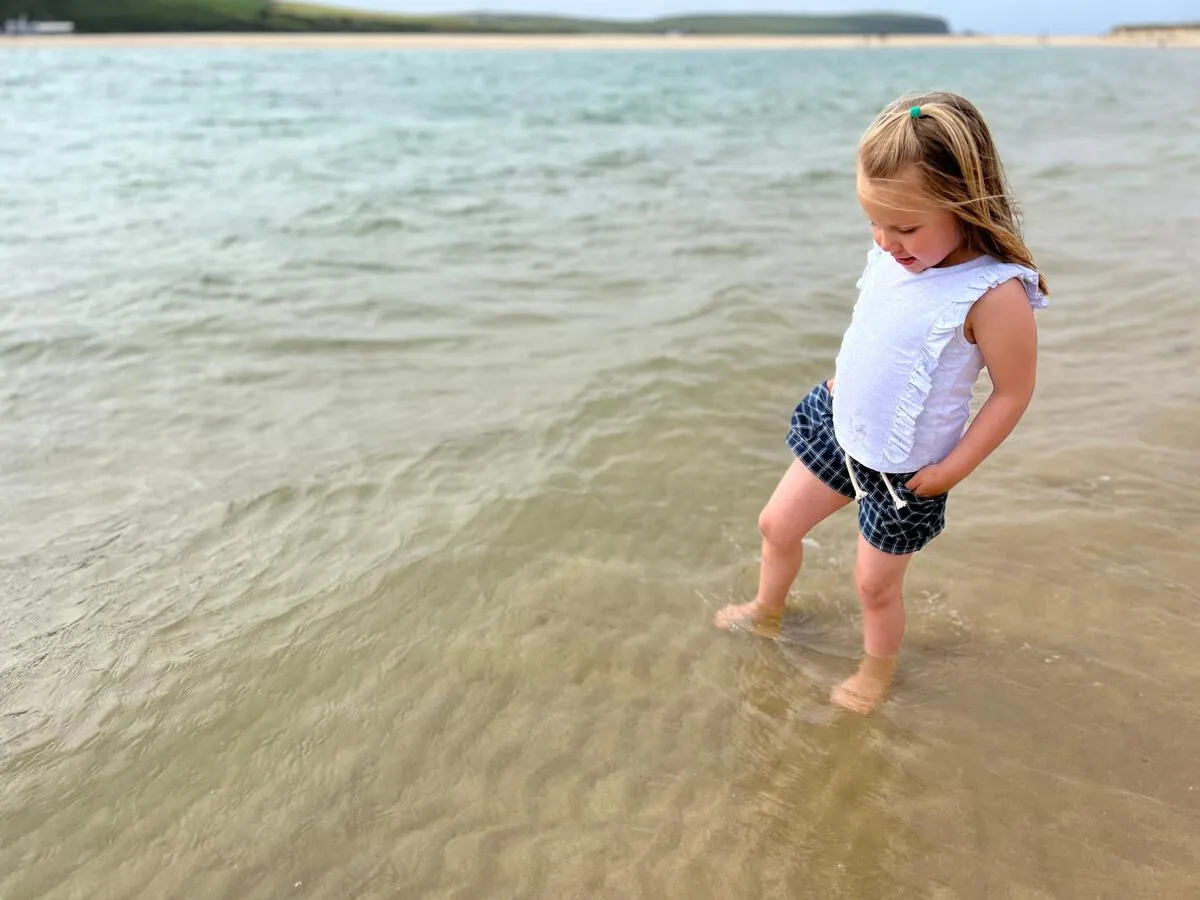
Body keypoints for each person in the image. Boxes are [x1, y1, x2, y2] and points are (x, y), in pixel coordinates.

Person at [715, 92, 1049, 714]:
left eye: (906, 226)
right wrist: (845, 381)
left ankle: (875, 671)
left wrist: (951, 471)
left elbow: (1012, 393)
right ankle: (767, 609)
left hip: (906, 471)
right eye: (875, 221)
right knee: (774, 524)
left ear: (964, 201)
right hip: (839, 425)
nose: (887, 240)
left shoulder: (993, 293)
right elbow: (876, 327)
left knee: (874, 586)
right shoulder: (895, 253)